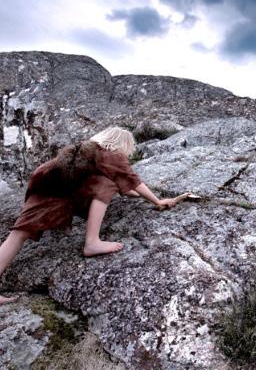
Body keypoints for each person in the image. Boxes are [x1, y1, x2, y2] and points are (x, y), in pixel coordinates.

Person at [0, 127, 177, 305]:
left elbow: (123, 183)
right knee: (107, 184)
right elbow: (130, 179)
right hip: (57, 189)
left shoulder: (87, 152)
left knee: (18, 235)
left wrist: (136, 195)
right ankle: (92, 241)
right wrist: (157, 201)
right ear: (121, 145)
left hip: (45, 185)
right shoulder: (109, 154)